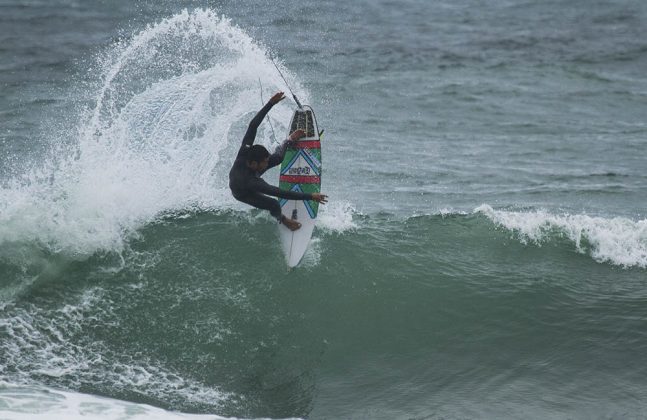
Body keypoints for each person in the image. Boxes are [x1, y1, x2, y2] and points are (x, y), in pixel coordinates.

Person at [229, 91, 327, 231]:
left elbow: (252, 126)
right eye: (265, 161)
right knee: (273, 204)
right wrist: (310, 196)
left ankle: (289, 140)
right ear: (255, 164)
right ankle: (283, 220)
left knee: (279, 158)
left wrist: (270, 103)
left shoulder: (246, 151)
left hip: (251, 171)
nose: (267, 163)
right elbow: (280, 193)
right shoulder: (251, 181)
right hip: (242, 192)